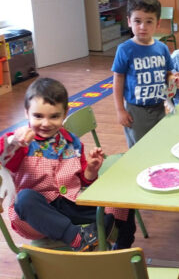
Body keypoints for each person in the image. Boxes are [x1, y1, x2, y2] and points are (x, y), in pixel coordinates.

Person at [0, 78, 133, 251]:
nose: (46, 123)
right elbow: (3, 152)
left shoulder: (71, 141)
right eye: (38, 116)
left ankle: (122, 245)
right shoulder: (21, 144)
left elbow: (83, 181)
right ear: (26, 113)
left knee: (121, 197)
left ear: (65, 113)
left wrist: (91, 171)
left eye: (54, 116)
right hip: (38, 215)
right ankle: (77, 238)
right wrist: (15, 140)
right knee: (25, 198)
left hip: (71, 203)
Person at [112, 0, 179, 148]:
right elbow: (118, 79)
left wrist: (174, 79)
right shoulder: (125, 49)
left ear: (157, 23)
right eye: (137, 21)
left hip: (159, 106)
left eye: (149, 21)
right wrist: (120, 110)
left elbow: (168, 74)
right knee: (139, 148)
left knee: (159, 144)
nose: (143, 27)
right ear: (129, 21)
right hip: (135, 110)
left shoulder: (162, 48)